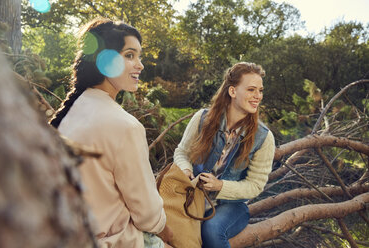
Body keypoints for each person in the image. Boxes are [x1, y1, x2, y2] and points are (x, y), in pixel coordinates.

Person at [50, 17, 172, 248]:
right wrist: (168, 232)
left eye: (139, 56)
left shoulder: (69, 112)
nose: (140, 64)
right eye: (129, 55)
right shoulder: (125, 126)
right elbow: (148, 215)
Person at [174, 62, 275, 248]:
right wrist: (186, 170)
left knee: (211, 230)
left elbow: (255, 185)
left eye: (260, 90)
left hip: (232, 207)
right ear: (232, 91)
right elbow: (182, 152)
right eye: (251, 89)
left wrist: (220, 186)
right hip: (193, 197)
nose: (258, 96)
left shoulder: (264, 137)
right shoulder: (202, 119)